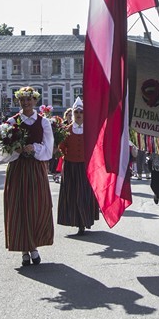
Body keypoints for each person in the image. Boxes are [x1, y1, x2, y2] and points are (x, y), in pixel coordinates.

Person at [3, 86, 54, 267]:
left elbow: (48, 149)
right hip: (17, 169)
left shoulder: (44, 123)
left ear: (35, 101)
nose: (26, 103)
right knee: (19, 207)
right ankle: (25, 250)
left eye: (29, 99)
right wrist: (15, 150)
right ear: (19, 102)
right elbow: (5, 152)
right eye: (22, 100)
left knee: (37, 206)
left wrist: (35, 148)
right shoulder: (11, 122)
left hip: (35, 168)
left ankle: (33, 246)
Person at [56, 98, 99, 235]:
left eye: (81, 112)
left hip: (86, 167)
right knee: (73, 195)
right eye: (76, 112)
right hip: (71, 167)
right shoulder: (67, 130)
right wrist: (66, 156)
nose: (79, 114)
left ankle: (84, 221)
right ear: (73, 114)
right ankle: (76, 221)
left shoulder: (90, 129)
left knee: (85, 194)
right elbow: (61, 146)